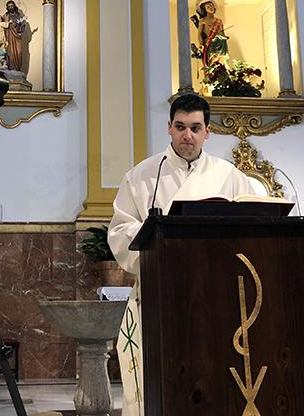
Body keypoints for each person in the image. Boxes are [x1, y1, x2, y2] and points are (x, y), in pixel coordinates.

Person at [107, 93, 254, 416]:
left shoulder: (229, 176)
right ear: (169, 129)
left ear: (207, 132)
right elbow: (120, 231)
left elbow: (251, 226)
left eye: (195, 127)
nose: (188, 135)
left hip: (216, 297)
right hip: (161, 293)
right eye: (181, 126)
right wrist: (155, 243)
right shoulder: (141, 176)